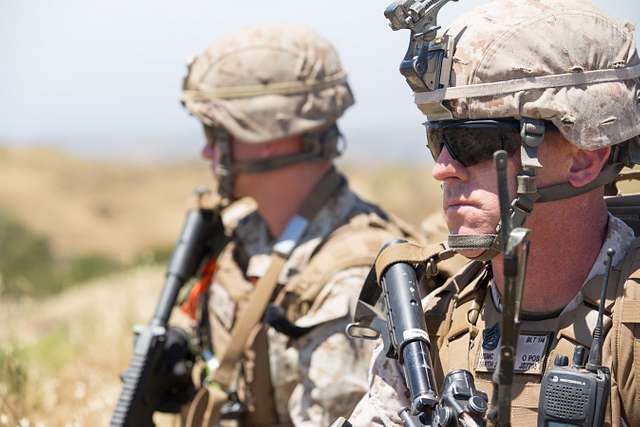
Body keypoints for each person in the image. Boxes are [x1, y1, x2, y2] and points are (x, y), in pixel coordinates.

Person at [346, 0, 640, 426]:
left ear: (583, 159)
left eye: (475, 143)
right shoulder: (431, 321)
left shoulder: (629, 333)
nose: (442, 168)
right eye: (438, 140)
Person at [177, 24, 424, 426]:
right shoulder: (245, 236)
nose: (206, 149)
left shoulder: (351, 282)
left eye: (215, 131)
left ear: (266, 132)